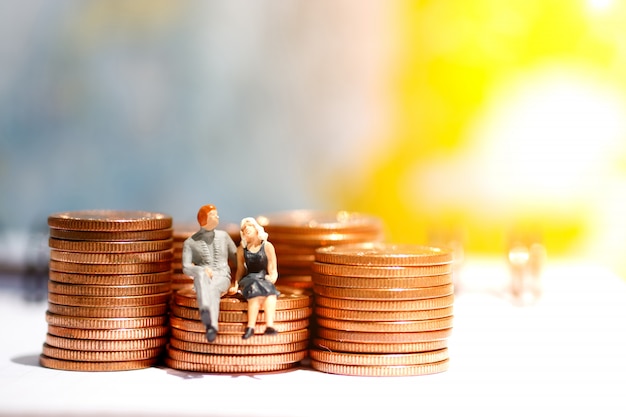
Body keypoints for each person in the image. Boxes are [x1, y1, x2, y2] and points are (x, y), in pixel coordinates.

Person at [182, 204, 238, 342]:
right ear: (204, 218)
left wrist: (240, 281)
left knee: (213, 288)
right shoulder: (190, 243)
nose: (217, 216)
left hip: (222, 276)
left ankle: (211, 325)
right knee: (201, 276)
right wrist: (200, 270)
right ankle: (206, 310)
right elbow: (186, 267)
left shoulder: (224, 236)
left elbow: (237, 258)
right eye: (213, 214)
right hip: (203, 279)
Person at [233, 217, 280, 339]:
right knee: (255, 290)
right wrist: (236, 285)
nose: (247, 228)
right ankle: (250, 327)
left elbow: (272, 268)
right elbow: (240, 270)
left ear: (256, 228)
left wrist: (273, 277)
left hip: (263, 278)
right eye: (244, 228)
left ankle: (269, 325)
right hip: (249, 278)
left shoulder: (267, 246)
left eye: (250, 225)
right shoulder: (241, 250)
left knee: (271, 293)